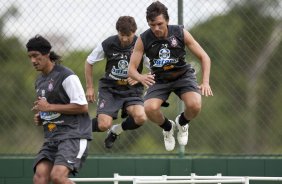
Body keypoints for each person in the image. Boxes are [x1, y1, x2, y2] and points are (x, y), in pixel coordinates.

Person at [128, 1, 213, 151]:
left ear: (167, 20)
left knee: (195, 105)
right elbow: (131, 69)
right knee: (149, 109)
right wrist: (140, 77)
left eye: (160, 24)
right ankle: (168, 128)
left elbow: (204, 57)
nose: (156, 28)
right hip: (159, 79)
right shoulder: (143, 39)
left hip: (182, 76)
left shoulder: (180, 33)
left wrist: (205, 82)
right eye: (152, 25)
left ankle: (182, 122)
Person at [27, 35, 92, 184]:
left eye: (36, 56)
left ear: (47, 54)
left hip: (73, 135)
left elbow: (82, 106)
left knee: (58, 177)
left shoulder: (66, 76)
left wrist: (48, 107)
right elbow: (52, 108)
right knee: (40, 176)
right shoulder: (39, 81)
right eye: (30, 57)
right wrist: (42, 116)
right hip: (52, 137)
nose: (33, 61)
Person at [85, 16, 147, 149]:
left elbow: (154, 69)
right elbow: (89, 61)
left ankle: (116, 131)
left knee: (140, 117)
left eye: (128, 35)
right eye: (121, 34)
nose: (124, 39)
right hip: (110, 89)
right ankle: (77, 128)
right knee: (103, 125)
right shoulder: (108, 43)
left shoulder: (141, 44)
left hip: (132, 90)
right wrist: (89, 87)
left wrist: (139, 76)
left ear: (134, 32)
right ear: (117, 31)